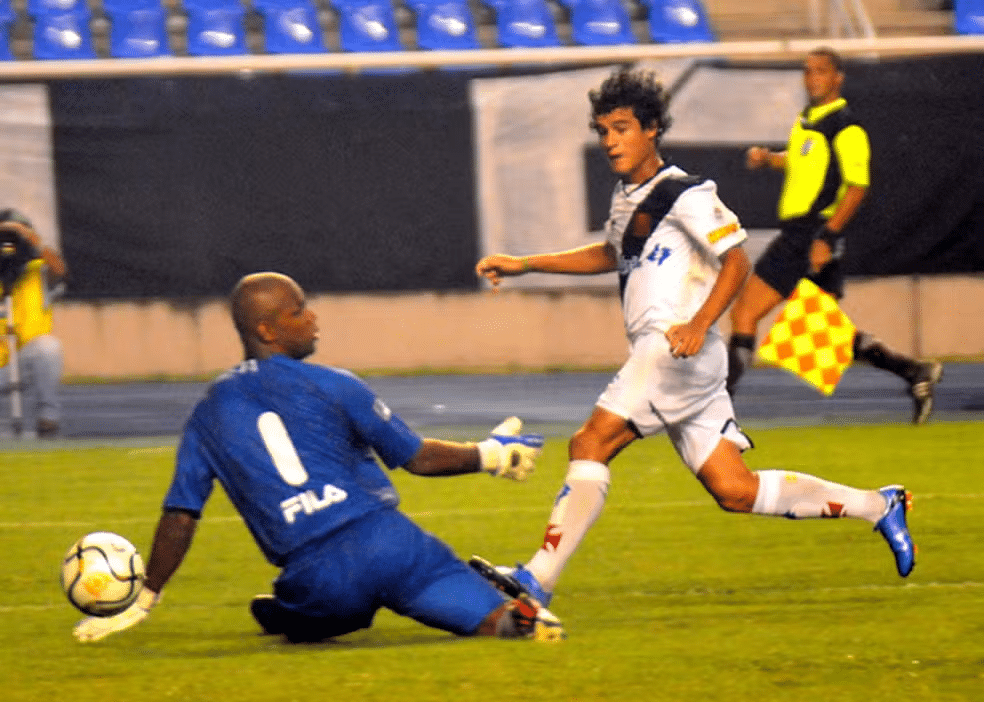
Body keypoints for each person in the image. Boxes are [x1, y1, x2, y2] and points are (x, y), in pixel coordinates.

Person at [470, 68, 916, 610]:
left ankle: (537, 578)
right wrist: (525, 263)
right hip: (684, 356)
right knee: (736, 489)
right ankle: (878, 505)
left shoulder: (685, 193)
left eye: (621, 129)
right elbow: (611, 253)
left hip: (674, 349)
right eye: (603, 131)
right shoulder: (627, 196)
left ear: (651, 129)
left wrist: (700, 323)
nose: (610, 141)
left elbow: (736, 261)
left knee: (590, 443)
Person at [73, 271, 563, 644]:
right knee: (496, 621)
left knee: (309, 617)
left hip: (319, 573)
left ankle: (289, 611)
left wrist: (146, 595)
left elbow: (181, 516)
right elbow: (418, 459)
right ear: (265, 330)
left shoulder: (208, 413)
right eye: (298, 311)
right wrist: (490, 455)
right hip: (392, 543)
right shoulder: (335, 383)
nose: (313, 319)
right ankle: (518, 618)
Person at [727, 47, 942, 425]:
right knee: (817, 330)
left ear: (838, 78)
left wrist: (826, 237)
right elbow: (801, 162)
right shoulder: (808, 120)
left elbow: (857, 187)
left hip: (810, 233)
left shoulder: (846, 126)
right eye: (808, 71)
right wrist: (770, 159)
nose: (812, 78)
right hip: (801, 232)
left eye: (821, 71)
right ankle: (914, 372)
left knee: (747, 312)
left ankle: (717, 408)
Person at [0, 209, 67, 438]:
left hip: (22, 362)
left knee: (48, 347)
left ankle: (48, 418)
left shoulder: (39, 271)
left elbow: (59, 269)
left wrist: (28, 235)